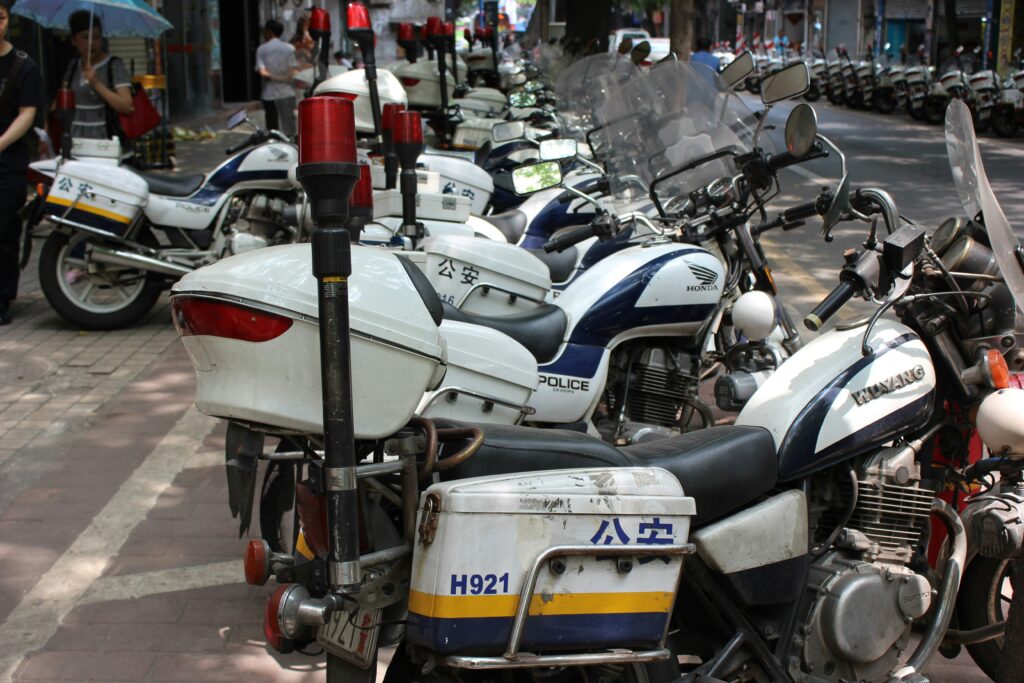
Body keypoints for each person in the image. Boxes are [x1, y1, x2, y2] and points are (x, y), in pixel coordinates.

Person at [0, 0, 43, 326]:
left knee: (4, 233)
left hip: (8, 164)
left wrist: (0, 143)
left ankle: (2, 300)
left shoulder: (23, 65)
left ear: (8, 20)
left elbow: (27, 113)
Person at [64, 11, 134, 140]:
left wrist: (96, 83)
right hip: (77, 140)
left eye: (96, 37)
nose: (91, 43)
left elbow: (127, 106)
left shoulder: (114, 65)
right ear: (74, 40)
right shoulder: (73, 66)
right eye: (85, 37)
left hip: (105, 141)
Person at [255, 19, 297, 137]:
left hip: (270, 95)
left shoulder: (262, 49)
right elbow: (292, 73)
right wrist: (285, 79)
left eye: (265, 31)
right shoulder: (289, 48)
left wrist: (272, 77)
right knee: (290, 130)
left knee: (272, 131)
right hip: (287, 93)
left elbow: (263, 73)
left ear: (269, 31)